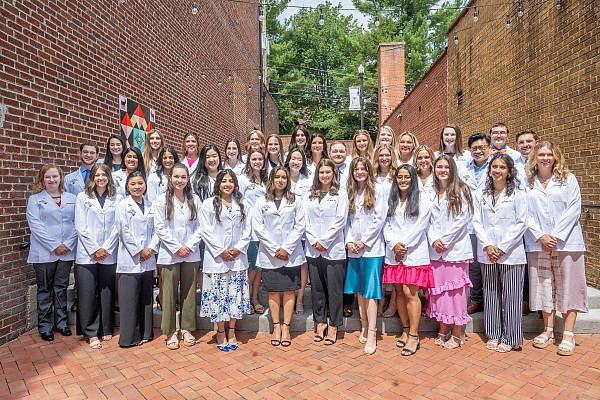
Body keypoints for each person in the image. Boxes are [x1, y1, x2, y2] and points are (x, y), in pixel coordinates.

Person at [525, 141, 588, 356]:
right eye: (541, 154)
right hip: (538, 243)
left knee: (569, 287)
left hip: (567, 242)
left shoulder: (568, 178)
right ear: (535, 157)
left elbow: (574, 208)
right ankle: (548, 330)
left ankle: (568, 334)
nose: (545, 158)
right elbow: (523, 212)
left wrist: (556, 236)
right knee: (545, 286)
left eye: (549, 154)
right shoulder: (527, 181)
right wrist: (540, 235)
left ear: (555, 157)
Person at [473, 154, 528, 353]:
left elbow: (522, 223)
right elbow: (476, 221)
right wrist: (488, 246)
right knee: (490, 294)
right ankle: (494, 333)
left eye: (502, 167)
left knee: (512, 296)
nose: (497, 170)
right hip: (487, 252)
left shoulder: (519, 193)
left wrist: (502, 247)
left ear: (509, 171)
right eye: (494, 167)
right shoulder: (481, 193)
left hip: (511, 253)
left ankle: (511, 337)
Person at [383, 164, 433, 355]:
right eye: (400, 177)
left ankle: (414, 335)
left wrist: (403, 246)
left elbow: (421, 226)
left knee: (410, 292)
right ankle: (405, 330)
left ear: (413, 178)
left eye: (407, 177)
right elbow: (386, 224)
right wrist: (394, 244)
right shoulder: (392, 199)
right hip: (394, 253)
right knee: (398, 292)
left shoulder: (423, 199)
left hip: (413, 253)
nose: (403, 181)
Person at [199, 169, 252, 351]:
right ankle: (220, 332)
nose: (227, 184)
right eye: (224, 181)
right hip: (217, 259)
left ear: (235, 183)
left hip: (237, 258)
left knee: (234, 297)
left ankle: (231, 330)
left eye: (230, 181)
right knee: (219, 297)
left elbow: (248, 230)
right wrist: (221, 251)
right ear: (218, 184)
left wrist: (237, 249)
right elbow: (205, 230)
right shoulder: (208, 204)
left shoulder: (242, 204)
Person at [253, 167, 306, 347]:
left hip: (290, 254)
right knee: (274, 291)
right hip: (270, 254)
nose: (281, 180)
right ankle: (276, 327)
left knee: (290, 290)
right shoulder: (261, 201)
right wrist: (276, 249)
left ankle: (286, 327)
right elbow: (258, 227)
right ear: (272, 179)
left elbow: (300, 225)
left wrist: (287, 248)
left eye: (284, 177)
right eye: (277, 177)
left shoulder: (296, 200)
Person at [153, 163, 203, 350]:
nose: (179, 180)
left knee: (189, 292)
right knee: (169, 294)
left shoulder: (195, 200)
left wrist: (188, 246)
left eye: (183, 177)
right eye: (176, 177)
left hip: (190, 253)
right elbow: (160, 228)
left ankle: (187, 329)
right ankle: (171, 331)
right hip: (169, 255)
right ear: (170, 178)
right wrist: (176, 248)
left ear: (188, 179)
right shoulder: (160, 201)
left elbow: (200, 226)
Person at [427, 155, 474, 350]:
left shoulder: (461, 190)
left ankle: (457, 331)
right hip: (435, 251)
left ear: (452, 169)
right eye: (439, 167)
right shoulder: (430, 191)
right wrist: (433, 239)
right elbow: (425, 219)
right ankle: (443, 327)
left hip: (455, 250)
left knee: (456, 293)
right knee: (440, 293)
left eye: (446, 167)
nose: (442, 170)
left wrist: (444, 240)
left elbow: (463, 220)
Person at [26, 165, 77, 341]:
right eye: (48, 177)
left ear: (61, 178)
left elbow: (78, 223)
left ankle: (61, 323)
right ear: (42, 179)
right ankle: (45, 326)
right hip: (44, 252)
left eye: (55, 176)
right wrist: (55, 245)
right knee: (45, 289)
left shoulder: (72, 198)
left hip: (66, 251)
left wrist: (67, 244)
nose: (52, 180)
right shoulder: (35, 199)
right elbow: (36, 226)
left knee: (61, 288)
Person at [74, 164, 121, 349]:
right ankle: (91, 333)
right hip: (87, 254)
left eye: (104, 175)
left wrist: (106, 248)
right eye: (97, 175)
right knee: (88, 293)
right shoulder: (82, 197)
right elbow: (80, 226)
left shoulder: (116, 198)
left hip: (108, 252)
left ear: (109, 177)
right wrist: (95, 250)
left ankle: (106, 327)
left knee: (107, 291)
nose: (100, 178)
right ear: (92, 177)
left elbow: (118, 226)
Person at [344, 157, 387, 355]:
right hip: (354, 248)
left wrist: (365, 241)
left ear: (369, 171)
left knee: (370, 291)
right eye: (356, 169)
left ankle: (372, 332)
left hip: (372, 249)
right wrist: (350, 242)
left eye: (363, 169)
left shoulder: (377, 190)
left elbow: (379, 218)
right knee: (359, 291)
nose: (360, 172)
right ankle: (363, 325)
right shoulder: (350, 192)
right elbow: (346, 221)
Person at [304, 159, 349, 345]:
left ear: (334, 174)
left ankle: (334, 325)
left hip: (334, 248)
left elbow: (341, 221)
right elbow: (304, 220)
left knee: (334, 290)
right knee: (317, 288)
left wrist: (324, 241)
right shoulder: (309, 195)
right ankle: (320, 322)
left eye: (328, 172)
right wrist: (315, 240)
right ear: (317, 174)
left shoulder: (341, 194)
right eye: (321, 172)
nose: (324, 175)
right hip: (313, 248)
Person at [115, 172, 159, 347]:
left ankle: (146, 333)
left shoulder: (151, 206)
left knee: (146, 298)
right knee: (129, 300)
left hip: (147, 258)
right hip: (130, 258)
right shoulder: (122, 205)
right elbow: (123, 231)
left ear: (145, 186)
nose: (137, 187)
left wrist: (150, 249)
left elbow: (157, 230)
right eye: (133, 184)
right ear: (127, 186)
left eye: (140, 183)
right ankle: (128, 338)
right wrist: (139, 251)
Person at [459, 133, 491, 315]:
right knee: (475, 265)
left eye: (482, 148)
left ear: (489, 148)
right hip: (470, 223)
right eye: (474, 149)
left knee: (492, 263)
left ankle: (493, 300)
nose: (478, 151)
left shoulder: (497, 166)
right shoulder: (464, 169)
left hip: (492, 223)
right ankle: (477, 299)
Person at [238, 148, 268, 314]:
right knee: (251, 266)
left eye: (260, 159)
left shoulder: (265, 180)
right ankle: (243, 299)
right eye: (254, 159)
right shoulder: (243, 179)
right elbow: (239, 203)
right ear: (249, 161)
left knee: (259, 267)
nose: (257, 162)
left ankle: (254, 298)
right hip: (250, 229)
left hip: (264, 228)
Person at [284, 147, 312, 314]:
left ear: (303, 163)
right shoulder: (281, 178)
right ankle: (287, 297)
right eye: (293, 159)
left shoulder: (307, 181)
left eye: (299, 160)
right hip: (284, 232)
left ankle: (300, 300)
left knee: (302, 265)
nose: (296, 162)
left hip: (303, 230)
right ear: (288, 160)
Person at [514, 129, 539, 315]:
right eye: (521, 142)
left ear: (536, 142)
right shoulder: (513, 165)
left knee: (539, 265)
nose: (525, 145)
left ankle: (540, 304)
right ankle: (524, 300)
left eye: (529, 141)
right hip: (520, 221)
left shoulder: (545, 162)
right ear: (517, 146)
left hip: (540, 222)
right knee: (523, 263)